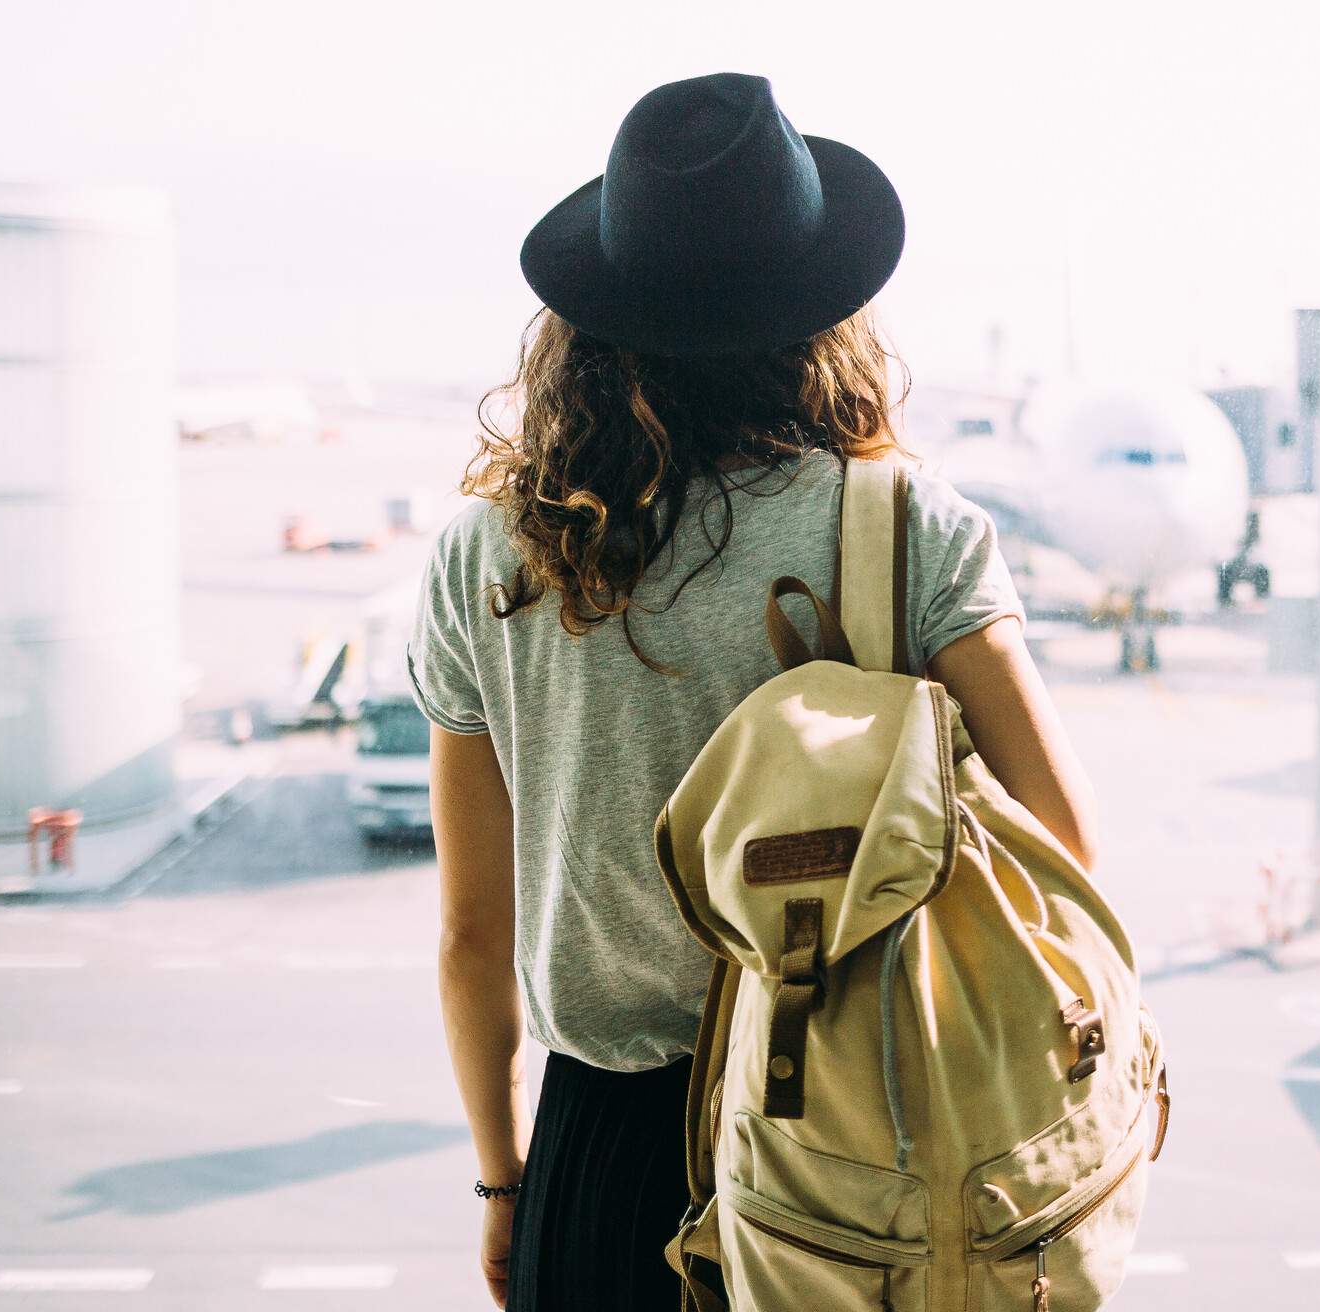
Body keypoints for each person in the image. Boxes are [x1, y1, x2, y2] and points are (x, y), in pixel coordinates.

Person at [409, 72, 1100, 1312]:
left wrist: (506, 1181)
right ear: (822, 308)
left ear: (593, 318)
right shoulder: (908, 530)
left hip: (601, 1146)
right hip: (864, 1140)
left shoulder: (491, 554)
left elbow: (472, 937)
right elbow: (1066, 854)